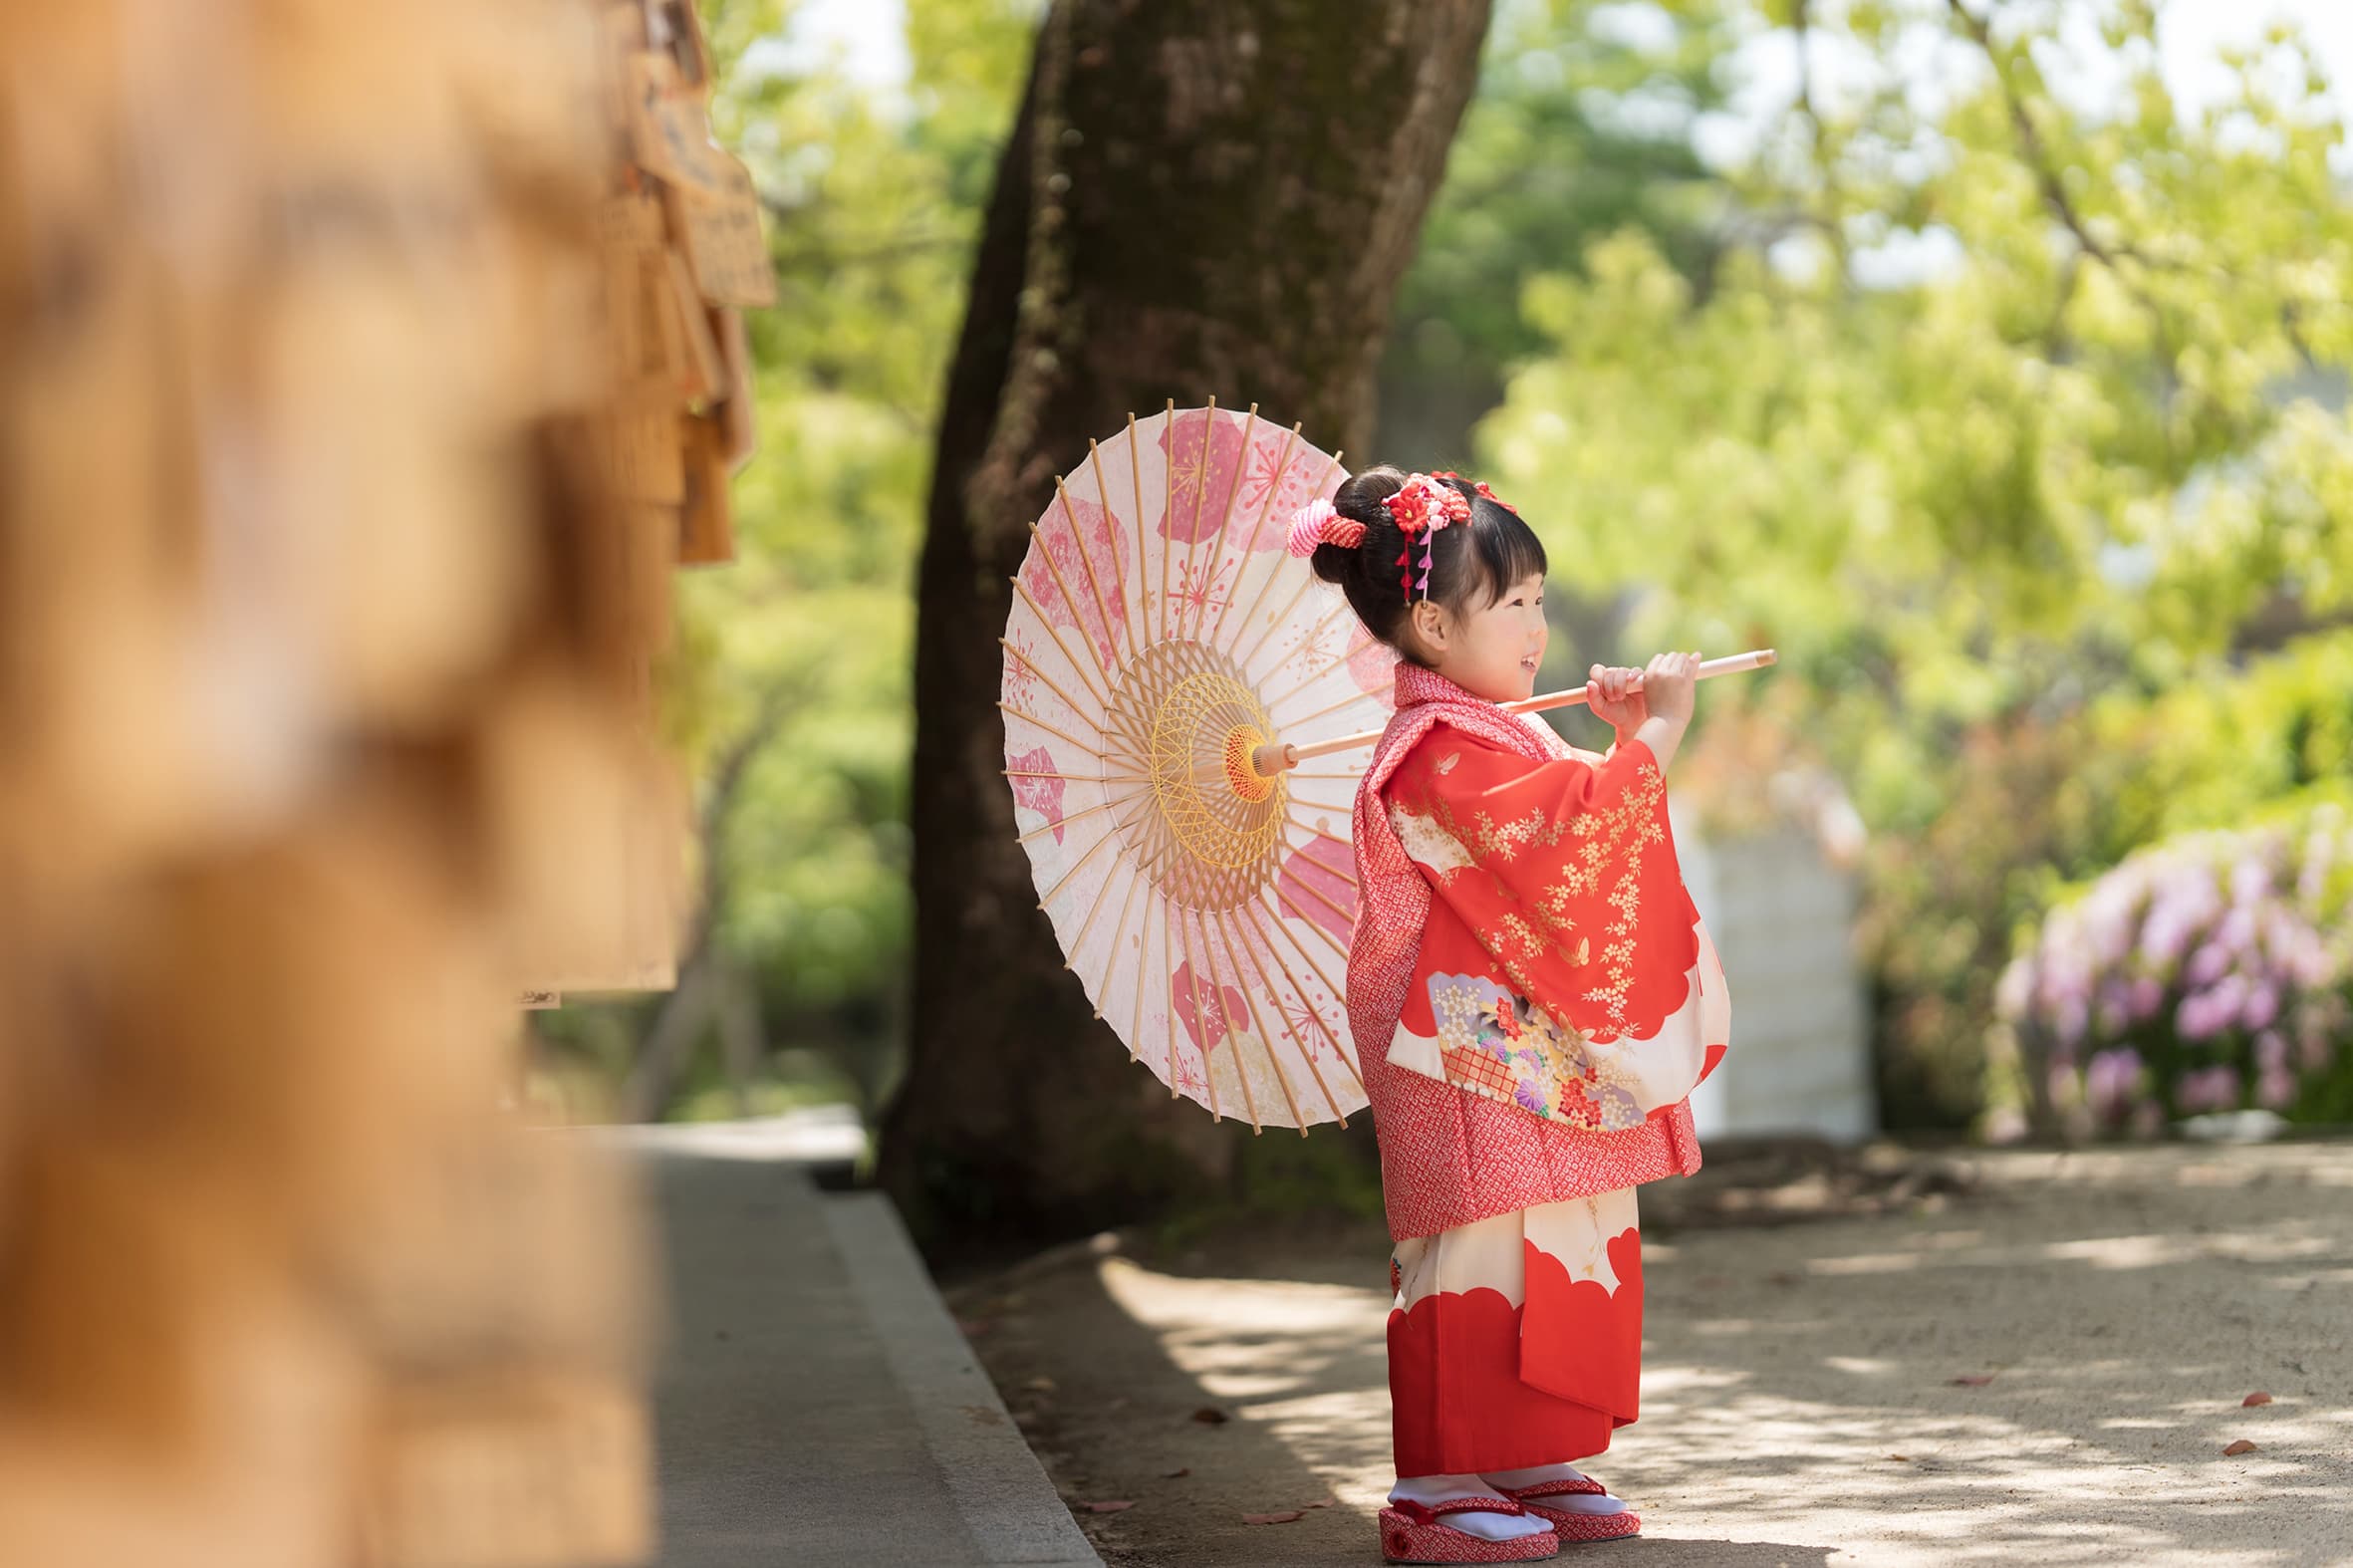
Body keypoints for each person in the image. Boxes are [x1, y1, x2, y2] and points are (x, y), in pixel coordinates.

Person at [1286, 470, 1730, 1565]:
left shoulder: (1483, 734)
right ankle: (1437, 1475)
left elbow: (1570, 830)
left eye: (1539, 596)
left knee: (1565, 1225)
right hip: (1458, 1048)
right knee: (1478, 1237)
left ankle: (1526, 1448)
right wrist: (1657, 735)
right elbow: (1568, 848)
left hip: (1513, 1040)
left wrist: (1621, 735)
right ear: (1433, 623)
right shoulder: (1433, 750)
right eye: (1513, 602)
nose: (1538, 624)